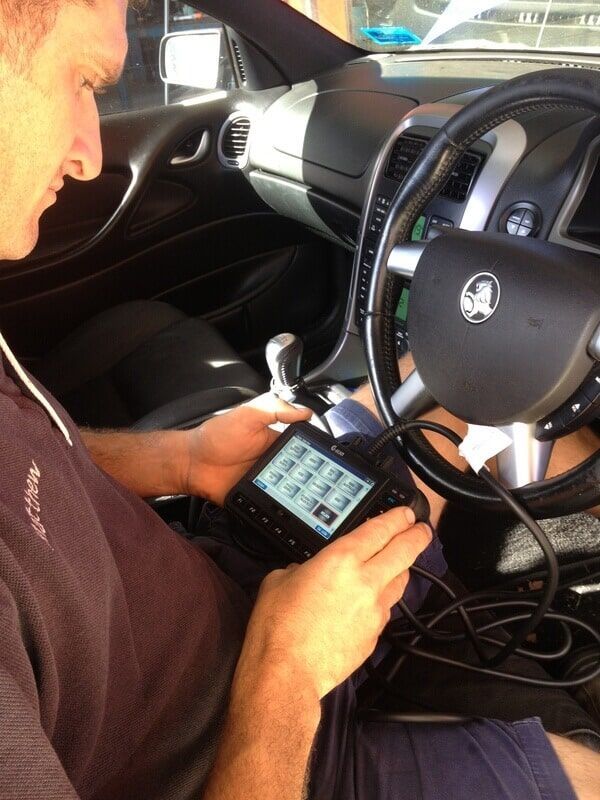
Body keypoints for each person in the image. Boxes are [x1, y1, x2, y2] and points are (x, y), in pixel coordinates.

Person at [0, 2, 599, 799]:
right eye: (80, 81)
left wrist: (179, 457)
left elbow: (31, 469)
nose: (87, 153)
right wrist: (283, 673)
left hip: (234, 590)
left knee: (446, 390)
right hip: (261, 755)